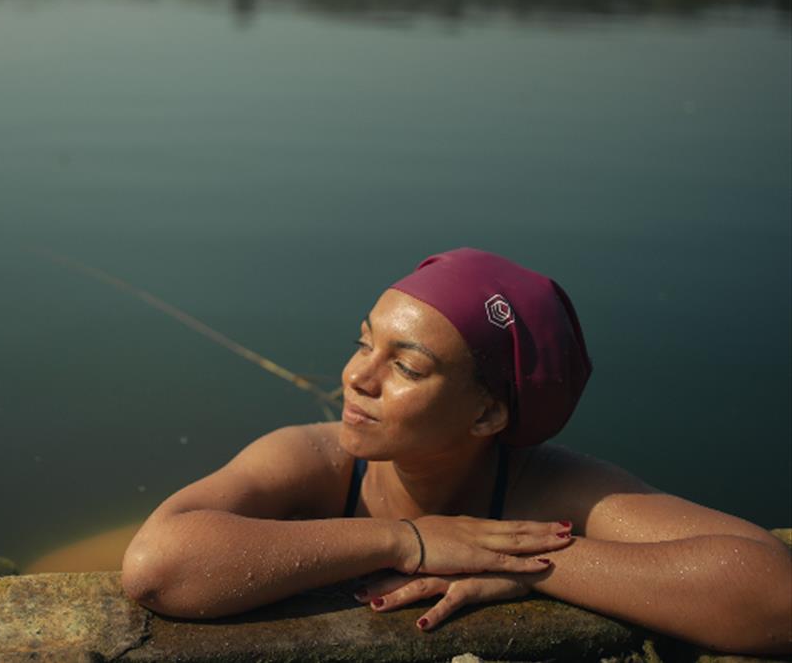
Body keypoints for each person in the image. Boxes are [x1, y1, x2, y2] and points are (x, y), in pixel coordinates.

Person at [121, 248, 791, 656]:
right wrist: (409, 540)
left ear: (489, 411)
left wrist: (531, 563)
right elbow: (158, 565)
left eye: (406, 366)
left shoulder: (551, 490)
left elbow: (775, 594)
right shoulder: (317, 458)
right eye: (363, 343)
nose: (356, 377)